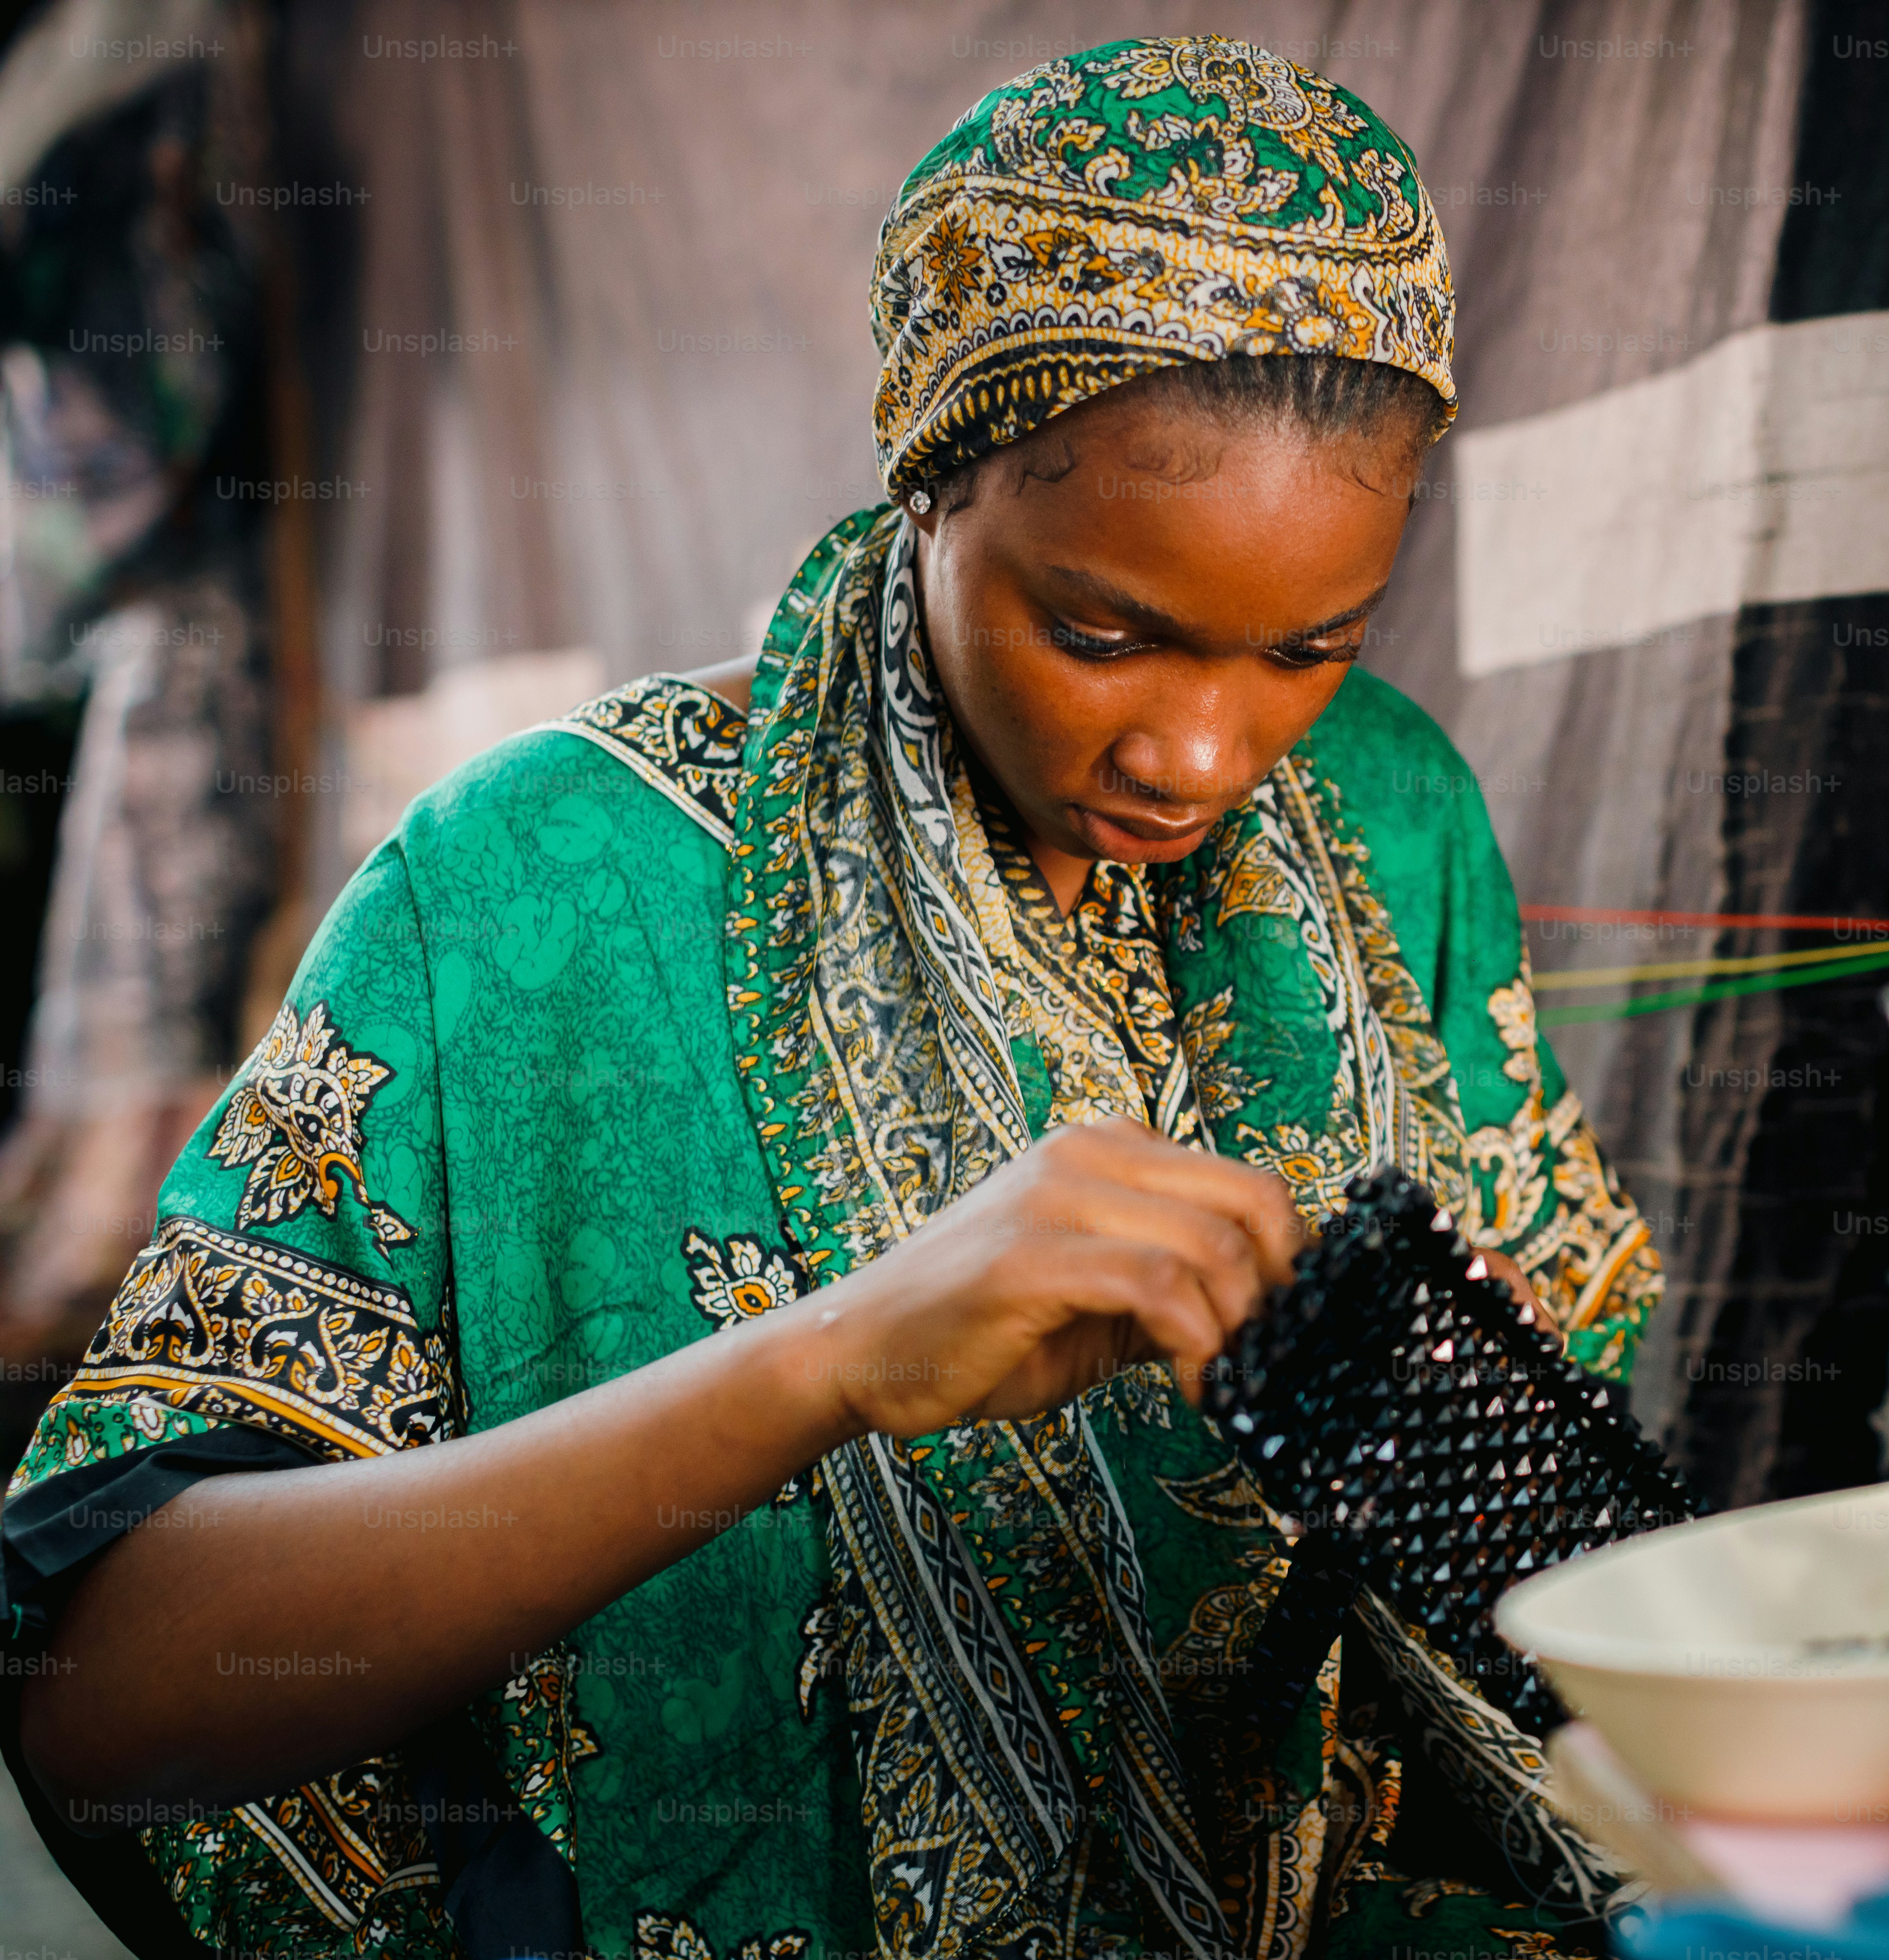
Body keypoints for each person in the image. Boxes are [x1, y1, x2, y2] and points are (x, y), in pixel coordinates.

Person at [1, 38, 1660, 1960]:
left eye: (1307, 646)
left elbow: (1549, 1545)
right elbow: (100, 1687)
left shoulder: (1386, 814)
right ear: (931, 481)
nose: (1204, 748)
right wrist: (827, 1360)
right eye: (1100, 632)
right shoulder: (533, 893)